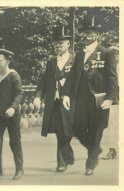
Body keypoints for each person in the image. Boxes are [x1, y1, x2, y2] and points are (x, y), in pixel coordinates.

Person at [62, 16, 118, 176]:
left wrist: (110, 98)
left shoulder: (106, 53)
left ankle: (90, 164)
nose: (87, 36)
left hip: (98, 100)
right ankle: (96, 149)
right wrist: (66, 94)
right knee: (77, 128)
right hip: (81, 100)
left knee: (95, 132)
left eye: (90, 33)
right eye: (85, 33)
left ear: (96, 35)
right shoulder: (79, 54)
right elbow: (72, 77)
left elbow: (112, 78)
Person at [33, 26, 75, 173]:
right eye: (56, 43)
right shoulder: (51, 63)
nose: (58, 46)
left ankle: (67, 153)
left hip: (71, 103)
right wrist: (38, 97)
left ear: (68, 44)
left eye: (61, 43)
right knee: (59, 131)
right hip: (55, 103)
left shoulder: (76, 60)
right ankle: (62, 162)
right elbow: (43, 82)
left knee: (68, 131)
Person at [0, 48, 24, 181]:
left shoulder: (13, 75)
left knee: (15, 141)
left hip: (12, 114)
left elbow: (19, 93)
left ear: (7, 61)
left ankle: (19, 169)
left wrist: (13, 108)